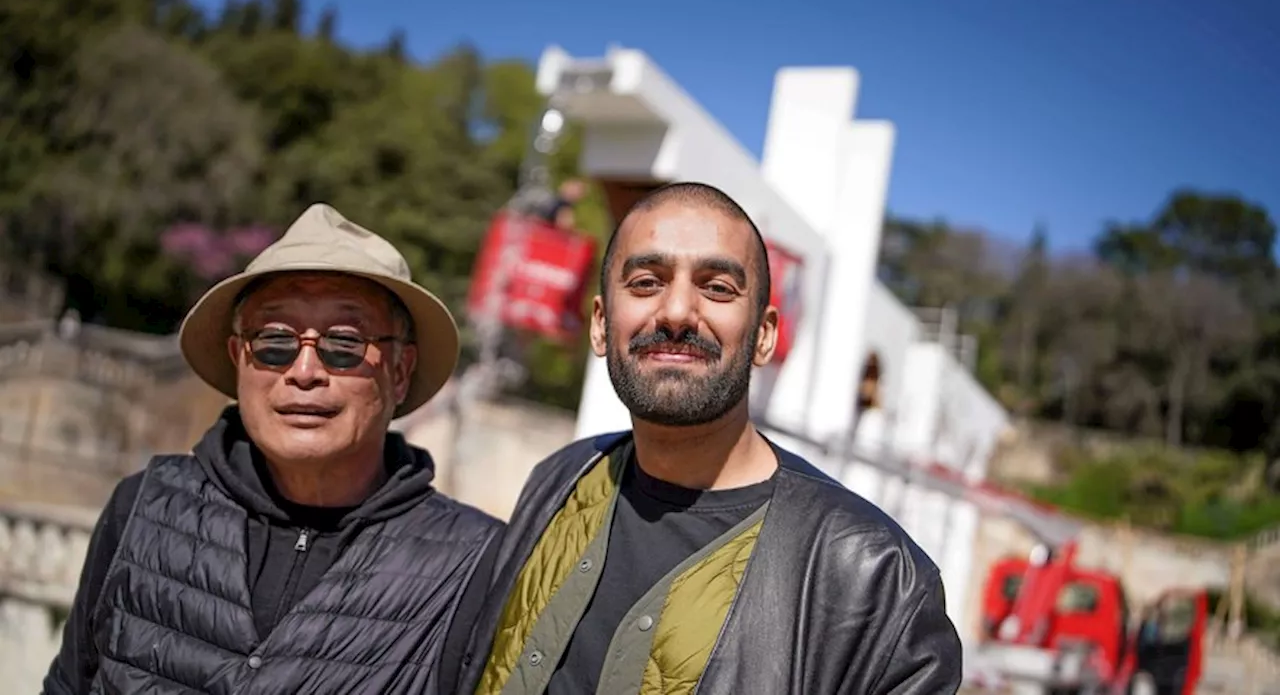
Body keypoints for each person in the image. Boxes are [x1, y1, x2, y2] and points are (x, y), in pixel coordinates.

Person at [456, 182, 962, 695]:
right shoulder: (559, 481)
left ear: (764, 335)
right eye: (647, 282)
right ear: (602, 325)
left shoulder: (878, 582)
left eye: (718, 287)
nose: (676, 312)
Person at [43, 203, 503, 695]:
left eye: (343, 344)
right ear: (239, 357)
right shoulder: (144, 506)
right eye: (274, 341)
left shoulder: (476, 567)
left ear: (399, 370)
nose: (304, 371)